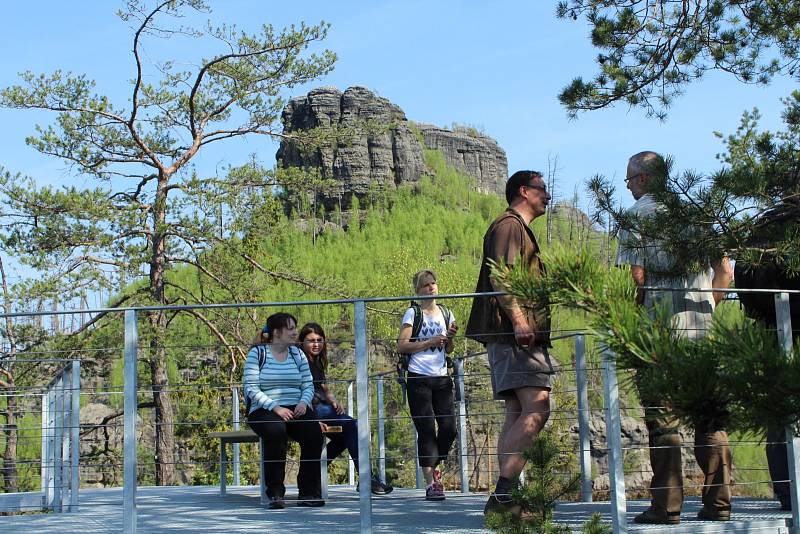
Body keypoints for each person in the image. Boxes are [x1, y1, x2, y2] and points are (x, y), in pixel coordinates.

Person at [616, 151, 734, 524]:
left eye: (630, 180)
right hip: (703, 337)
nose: (629, 187)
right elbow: (725, 272)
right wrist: (708, 308)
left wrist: (635, 322)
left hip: (659, 337)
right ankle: (719, 505)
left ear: (645, 179)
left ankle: (666, 507)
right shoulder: (697, 212)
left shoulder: (635, 216)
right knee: (710, 421)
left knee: (664, 422)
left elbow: (636, 277)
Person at [465, 170, 555, 518]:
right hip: (515, 334)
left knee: (518, 411)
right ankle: (504, 494)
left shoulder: (515, 227)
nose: (547, 196)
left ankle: (506, 500)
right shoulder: (508, 225)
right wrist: (519, 320)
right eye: (542, 189)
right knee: (538, 406)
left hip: (514, 334)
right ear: (524, 191)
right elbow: (501, 274)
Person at [733, 204, 799, 512]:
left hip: (773, 326)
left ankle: (787, 492)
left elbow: (744, 278)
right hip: (779, 324)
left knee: (779, 411)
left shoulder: (767, 222)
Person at [298, 322, 393, 495]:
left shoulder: (316, 361)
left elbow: (322, 386)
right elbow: (300, 392)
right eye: (311, 340)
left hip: (325, 407)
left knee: (348, 433)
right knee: (353, 427)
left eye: (320, 340)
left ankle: (363, 478)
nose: (316, 344)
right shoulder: (299, 360)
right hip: (312, 410)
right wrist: (312, 420)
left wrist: (334, 401)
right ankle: (366, 478)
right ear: (301, 342)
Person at [244, 312, 324, 509]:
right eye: (290, 328)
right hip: (264, 408)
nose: (295, 332)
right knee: (275, 432)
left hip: (296, 407)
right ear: (276, 332)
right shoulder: (258, 353)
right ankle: (275, 492)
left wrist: (303, 403)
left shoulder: (297, 354)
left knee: (314, 433)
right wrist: (275, 407)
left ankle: (308, 492)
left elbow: (308, 384)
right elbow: (251, 388)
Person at [396, 269, 459, 501]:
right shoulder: (412, 313)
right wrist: (430, 342)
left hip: (442, 377)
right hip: (418, 376)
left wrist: (449, 338)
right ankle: (432, 483)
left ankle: (435, 466)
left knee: (449, 427)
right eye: (426, 285)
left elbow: (449, 349)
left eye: (434, 283)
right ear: (418, 290)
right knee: (426, 430)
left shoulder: (446, 312)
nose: (431, 287)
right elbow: (402, 346)